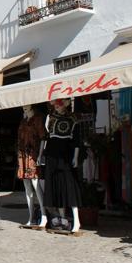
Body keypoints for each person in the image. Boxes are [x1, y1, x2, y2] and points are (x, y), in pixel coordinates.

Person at [39, 98, 82, 233]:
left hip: (66, 154)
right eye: (56, 104)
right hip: (52, 154)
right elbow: (45, 138)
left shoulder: (73, 119)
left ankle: (77, 220)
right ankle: (62, 219)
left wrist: (75, 157)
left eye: (60, 103)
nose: (57, 106)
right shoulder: (49, 118)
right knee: (56, 186)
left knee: (69, 186)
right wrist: (41, 155)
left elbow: (76, 140)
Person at [17, 105, 48, 227]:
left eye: (27, 107)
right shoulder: (23, 122)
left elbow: (43, 138)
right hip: (23, 156)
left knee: (36, 184)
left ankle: (44, 214)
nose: (25, 109)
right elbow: (20, 139)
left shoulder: (38, 119)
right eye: (24, 108)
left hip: (34, 155)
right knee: (27, 187)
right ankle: (31, 216)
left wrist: (40, 155)